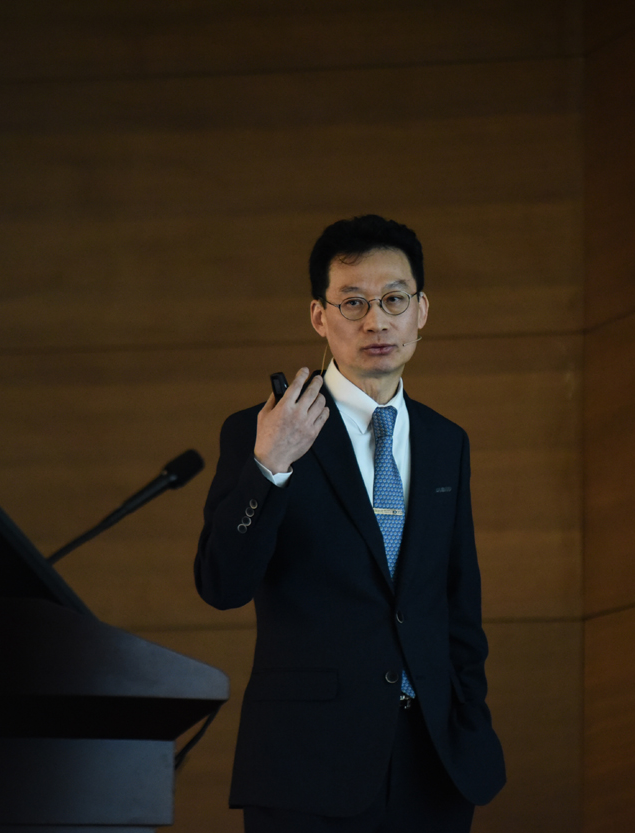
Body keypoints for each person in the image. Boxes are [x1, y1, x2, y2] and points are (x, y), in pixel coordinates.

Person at [194, 215, 506, 833]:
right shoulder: (266, 429)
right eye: (353, 303)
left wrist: (468, 722)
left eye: (393, 300)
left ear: (421, 310)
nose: (376, 322)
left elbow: (457, 602)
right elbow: (221, 585)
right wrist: (269, 466)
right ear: (320, 317)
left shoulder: (446, 441)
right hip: (308, 766)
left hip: (433, 765)